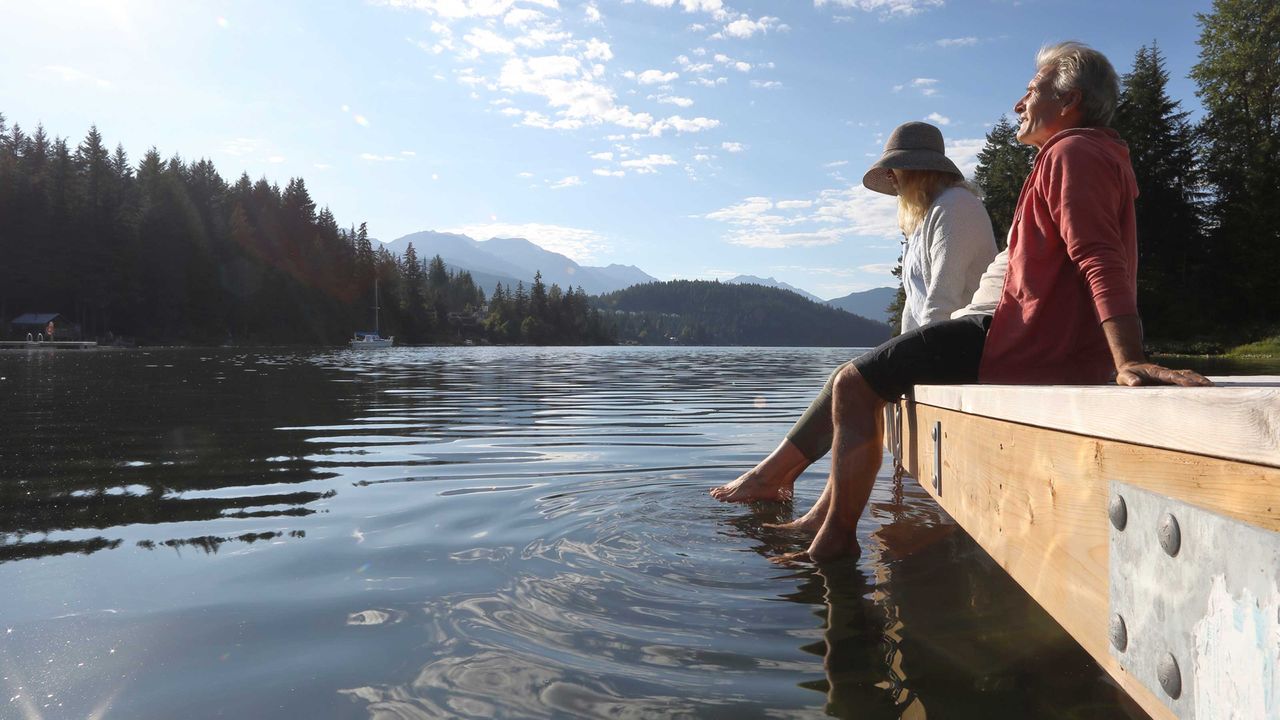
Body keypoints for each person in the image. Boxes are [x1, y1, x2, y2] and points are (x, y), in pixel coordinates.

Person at [737, 41, 1211, 563]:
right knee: (857, 379)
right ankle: (825, 525)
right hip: (1017, 329)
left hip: (1015, 334)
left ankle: (833, 544)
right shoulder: (1085, 153)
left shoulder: (1074, 152)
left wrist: (1129, 358)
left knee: (852, 381)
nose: (1018, 104)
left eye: (1031, 90)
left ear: (1069, 100)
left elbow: (1099, 256)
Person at [711, 122, 996, 504]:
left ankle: (772, 478)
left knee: (848, 382)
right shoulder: (929, 217)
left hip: (959, 349)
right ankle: (781, 479)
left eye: (898, 171)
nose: (893, 180)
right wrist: (897, 356)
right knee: (847, 381)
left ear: (919, 169)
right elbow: (916, 307)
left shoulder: (957, 208)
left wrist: (910, 366)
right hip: (937, 345)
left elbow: (941, 302)